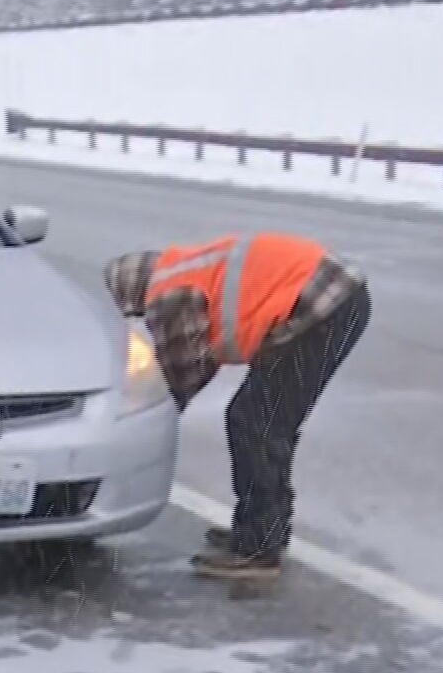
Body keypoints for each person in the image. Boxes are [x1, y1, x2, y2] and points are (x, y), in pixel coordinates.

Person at [106, 232, 371, 581]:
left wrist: (135, 425)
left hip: (325, 304)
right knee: (263, 418)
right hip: (335, 295)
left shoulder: (168, 296)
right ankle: (262, 530)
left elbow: (181, 377)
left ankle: (258, 549)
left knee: (255, 421)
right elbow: (202, 353)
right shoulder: (183, 270)